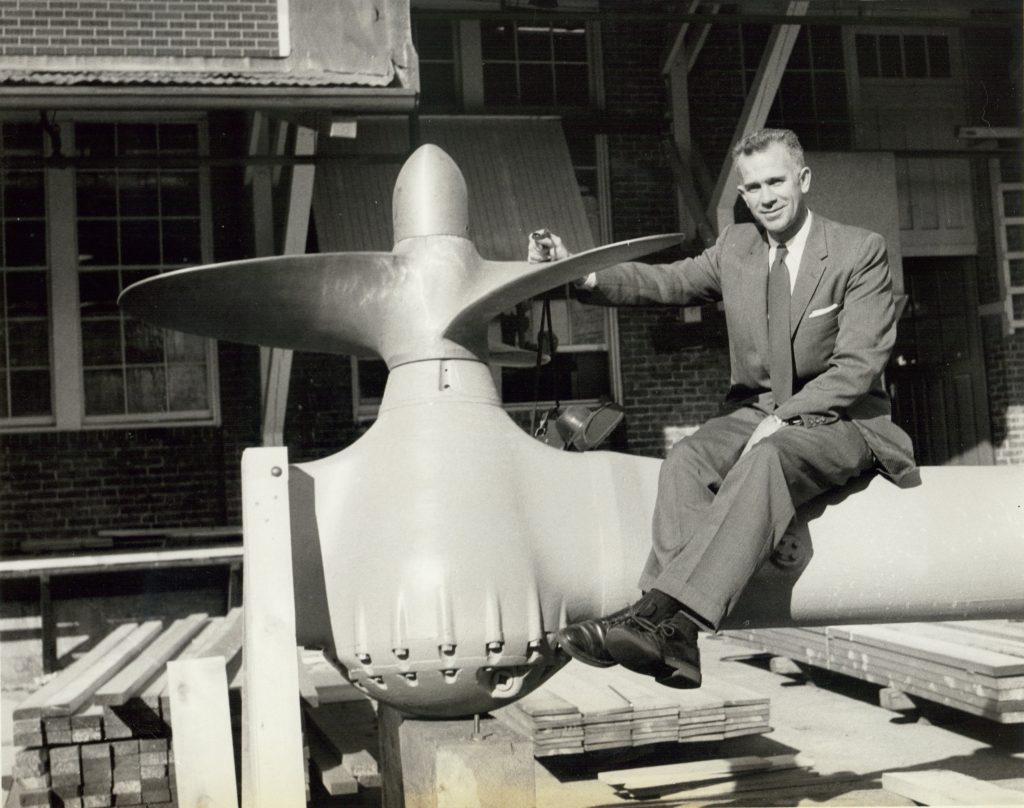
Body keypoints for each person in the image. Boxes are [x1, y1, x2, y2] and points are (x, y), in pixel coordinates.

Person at [528, 128, 915, 689]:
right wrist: (580, 272)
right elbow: (666, 281)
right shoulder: (737, 247)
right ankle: (673, 638)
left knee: (767, 459)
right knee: (686, 458)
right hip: (757, 410)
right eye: (752, 186)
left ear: (803, 180)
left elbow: (857, 367)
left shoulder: (859, 250)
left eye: (776, 181)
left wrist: (784, 420)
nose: (766, 197)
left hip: (844, 417)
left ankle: (661, 617)